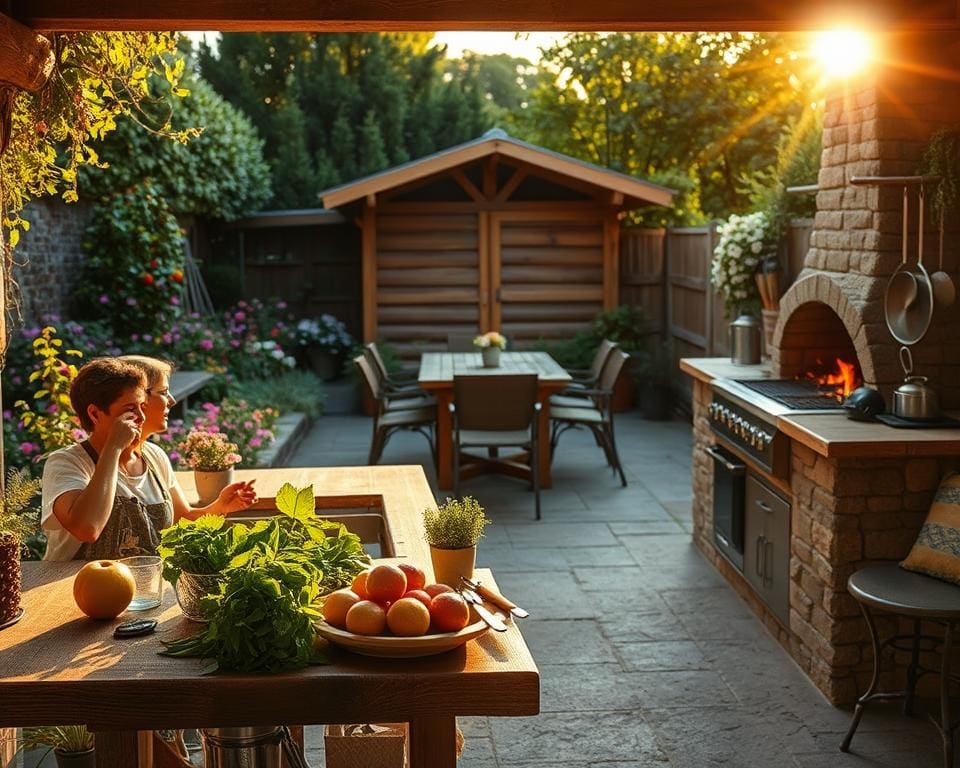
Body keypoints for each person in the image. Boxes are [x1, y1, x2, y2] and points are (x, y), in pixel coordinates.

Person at [40, 357, 256, 561]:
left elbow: (182, 520)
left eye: (142, 406)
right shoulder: (66, 463)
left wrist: (220, 507)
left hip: (144, 592)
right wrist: (113, 449)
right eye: (130, 409)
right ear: (95, 414)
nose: (141, 417)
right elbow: (88, 527)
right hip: (73, 592)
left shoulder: (154, 456)